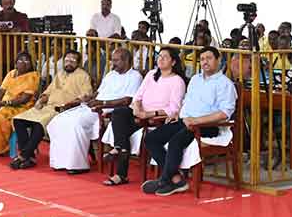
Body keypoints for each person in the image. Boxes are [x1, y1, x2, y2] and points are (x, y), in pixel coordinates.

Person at [142, 46, 237, 196]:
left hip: (207, 125)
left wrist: (196, 120)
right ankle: (176, 179)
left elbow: (224, 113)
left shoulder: (225, 84)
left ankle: (164, 181)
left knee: (175, 141)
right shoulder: (195, 79)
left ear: (218, 60)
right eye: (202, 59)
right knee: (151, 138)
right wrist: (177, 113)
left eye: (209, 58)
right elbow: (186, 101)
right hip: (185, 121)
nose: (205, 62)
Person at [48, 46, 144, 174]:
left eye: (116, 60)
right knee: (58, 120)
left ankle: (77, 165)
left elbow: (127, 100)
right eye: (112, 60)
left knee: (75, 123)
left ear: (126, 60)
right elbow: (98, 93)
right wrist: (88, 98)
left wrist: (102, 103)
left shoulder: (135, 76)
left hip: (107, 110)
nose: (113, 63)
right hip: (93, 106)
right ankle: (60, 162)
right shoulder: (111, 75)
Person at [103, 47, 185, 186]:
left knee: (122, 131)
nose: (161, 59)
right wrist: (137, 108)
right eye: (160, 56)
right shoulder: (151, 74)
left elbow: (174, 109)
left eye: (165, 57)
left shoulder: (177, 81)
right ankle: (120, 149)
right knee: (118, 113)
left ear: (173, 62)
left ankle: (121, 170)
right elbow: (138, 96)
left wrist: (148, 114)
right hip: (139, 113)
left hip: (155, 118)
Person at [10, 50, 93, 169]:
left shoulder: (83, 76)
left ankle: (24, 156)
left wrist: (72, 103)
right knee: (18, 120)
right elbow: (48, 91)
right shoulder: (60, 74)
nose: (69, 63)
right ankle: (30, 157)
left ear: (78, 63)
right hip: (47, 107)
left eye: (73, 60)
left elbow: (86, 95)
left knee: (39, 125)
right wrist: (42, 98)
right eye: (67, 60)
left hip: (62, 109)